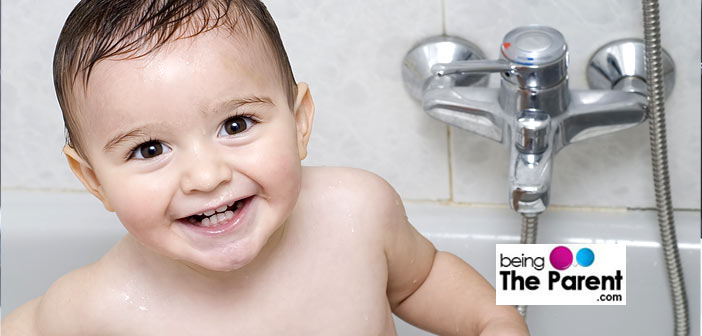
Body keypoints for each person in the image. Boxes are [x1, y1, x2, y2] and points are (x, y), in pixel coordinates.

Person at [2, 1, 529, 334]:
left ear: (299, 122)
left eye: (235, 125)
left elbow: (420, 280)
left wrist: (491, 319)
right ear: (95, 179)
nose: (206, 177)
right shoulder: (98, 307)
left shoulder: (356, 214)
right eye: (149, 149)